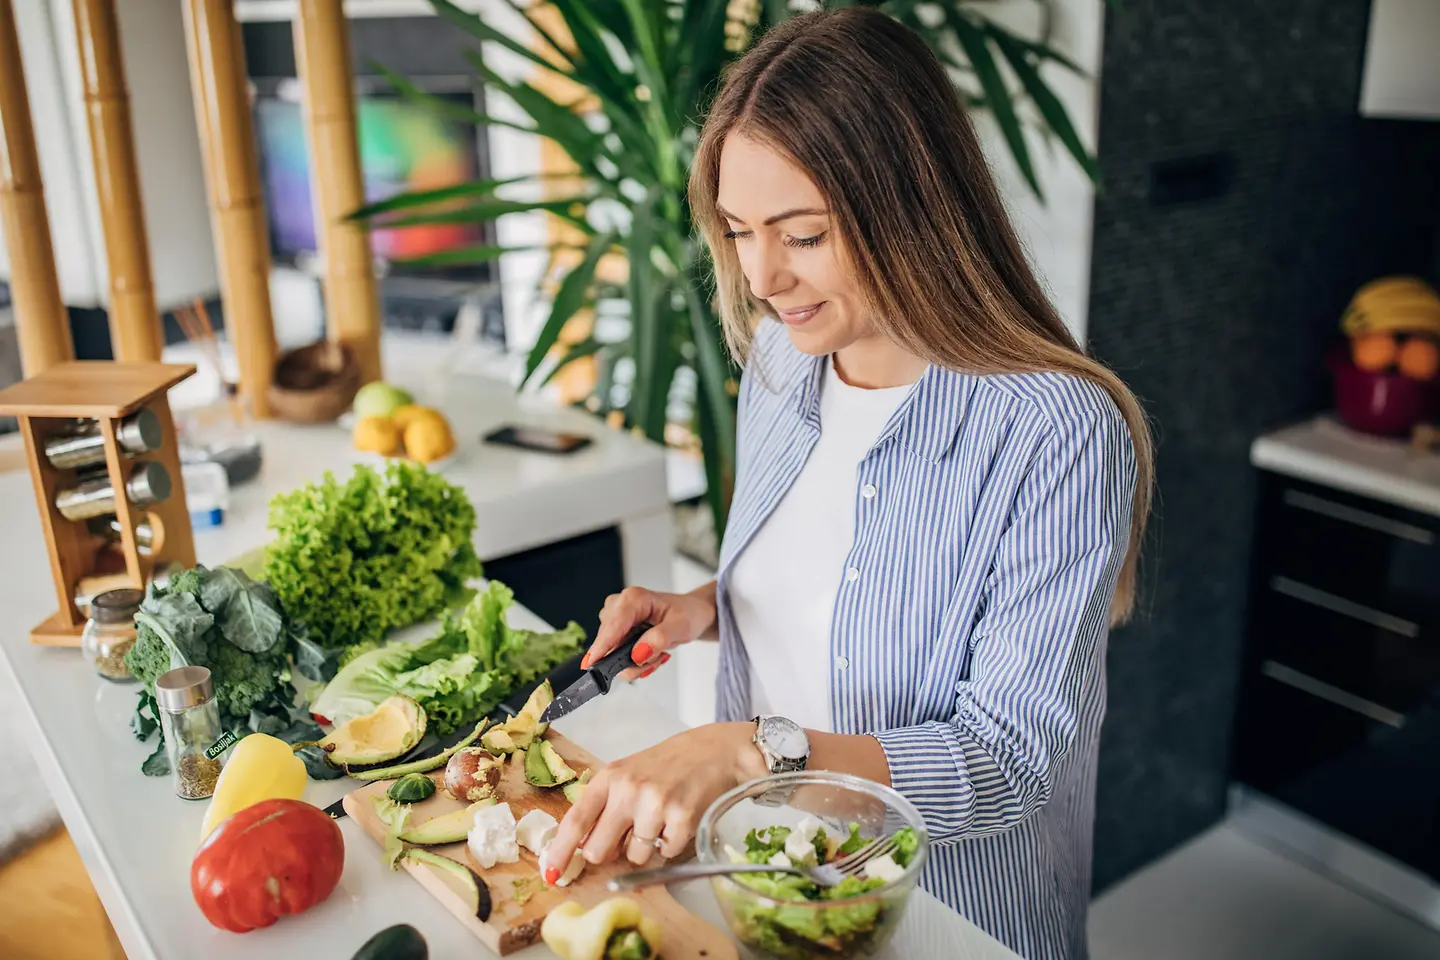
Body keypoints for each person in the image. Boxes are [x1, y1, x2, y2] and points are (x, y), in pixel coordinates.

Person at [544, 8, 1154, 959]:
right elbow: (834, 571)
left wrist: (751, 748)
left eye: (804, 234)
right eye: (741, 231)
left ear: (911, 206)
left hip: (950, 918)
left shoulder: (1054, 431)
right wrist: (707, 606)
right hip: (766, 876)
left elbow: (1010, 757)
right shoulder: (785, 361)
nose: (762, 276)